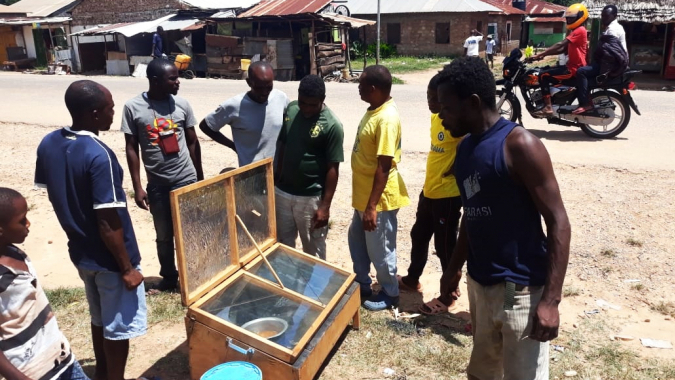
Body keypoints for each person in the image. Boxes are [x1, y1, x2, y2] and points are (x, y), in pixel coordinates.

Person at [437, 57, 571, 379]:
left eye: (446, 107)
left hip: (516, 289)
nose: (440, 116)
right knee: (482, 372)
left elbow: (558, 222)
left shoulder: (520, 146)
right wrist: (454, 269)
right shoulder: (465, 149)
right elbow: (472, 214)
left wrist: (550, 301)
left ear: (472, 103)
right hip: (479, 285)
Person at [35, 80, 147, 380]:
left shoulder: (49, 143)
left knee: (99, 320)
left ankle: (101, 375)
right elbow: (108, 221)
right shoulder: (99, 154)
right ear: (95, 113)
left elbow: (56, 194)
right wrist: (126, 268)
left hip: (82, 253)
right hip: (111, 259)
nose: (113, 113)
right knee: (118, 328)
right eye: (110, 108)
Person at [122, 58, 203, 293]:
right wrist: (138, 187)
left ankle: (194, 277)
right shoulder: (133, 107)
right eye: (173, 78)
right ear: (155, 81)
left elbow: (192, 142)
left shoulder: (182, 105)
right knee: (164, 236)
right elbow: (131, 148)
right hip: (157, 184)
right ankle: (169, 278)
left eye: (177, 77)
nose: (178, 82)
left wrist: (199, 178)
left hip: (186, 180)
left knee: (190, 232)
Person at [0, 188, 90, 380]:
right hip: (33, 373)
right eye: (21, 220)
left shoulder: (15, 253)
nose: (28, 224)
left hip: (63, 359)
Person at [397, 74, 463, 315]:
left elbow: (469, 140)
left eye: (435, 99)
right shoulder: (436, 119)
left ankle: (449, 294)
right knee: (419, 234)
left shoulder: (453, 121)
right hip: (430, 190)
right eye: (428, 97)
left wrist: (456, 168)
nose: (431, 103)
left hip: (448, 194)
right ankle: (413, 279)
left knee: (445, 246)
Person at [349, 65, 410, 311]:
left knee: (381, 248)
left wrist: (372, 206)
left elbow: (384, 166)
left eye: (361, 85)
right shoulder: (375, 110)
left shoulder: (386, 118)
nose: (358, 89)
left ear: (373, 89)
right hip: (363, 196)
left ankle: (389, 292)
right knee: (357, 242)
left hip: (378, 200)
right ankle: (363, 284)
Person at [275, 75, 344, 260]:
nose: (306, 109)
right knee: (282, 246)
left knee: (313, 250)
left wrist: (325, 207)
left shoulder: (332, 125)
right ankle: (288, 286)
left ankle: (316, 288)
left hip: (310, 198)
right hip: (282, 193)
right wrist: (277, 177)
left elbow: (333, 168)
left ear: (322, 100)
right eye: (303, 103)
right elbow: (283, 143)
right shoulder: (291, 109)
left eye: (312, 105)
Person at [200, 61, 289, 167]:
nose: (265, 92)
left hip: (279, 171)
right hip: (251, 173)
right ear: (248, 82)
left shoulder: (280, 98)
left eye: (269, 87)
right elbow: (206, 126)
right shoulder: (233, 106)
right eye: (259, 88)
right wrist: (233, 146)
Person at [526, 3, 589, 117]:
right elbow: (562, 49)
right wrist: (542, 56)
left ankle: (548, 107)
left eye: (572, 18)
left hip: (574, 69)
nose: (569, 20)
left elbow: (560, 44)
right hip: (571, 66)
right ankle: (555, 100)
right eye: (568, 18)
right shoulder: (576, 31)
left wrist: (541, 53)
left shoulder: (580, 30)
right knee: (547, 70)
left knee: (543, 75)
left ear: (580, 17)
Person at [574, 4, 628, 114]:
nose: (604, 18)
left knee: (581, 72)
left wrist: (603, 72)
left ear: (614, 16)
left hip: (611, 66)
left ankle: (585, 104)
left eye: (606, 16)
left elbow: (609, 54)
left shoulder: (613, 30)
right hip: (611, 63)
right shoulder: (614, 27)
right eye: (602, 16)